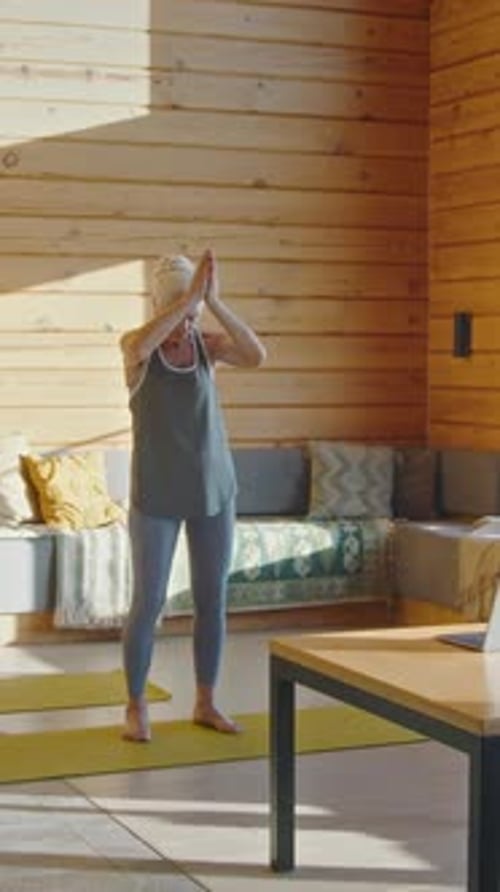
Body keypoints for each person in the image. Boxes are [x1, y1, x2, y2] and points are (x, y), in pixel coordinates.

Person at [120, 248, 266, 741]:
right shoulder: (136, 347)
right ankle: (136, 705)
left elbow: (256, 355)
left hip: (215, 493)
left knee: (212, 599)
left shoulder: (209, 345)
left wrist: (216, 303)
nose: (190, 318)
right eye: (183, 305)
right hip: (157, 495)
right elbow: (142, 346)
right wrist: (184, 302)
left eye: (194, 306)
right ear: (167, 302)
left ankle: (206, 700)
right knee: (149, 602)